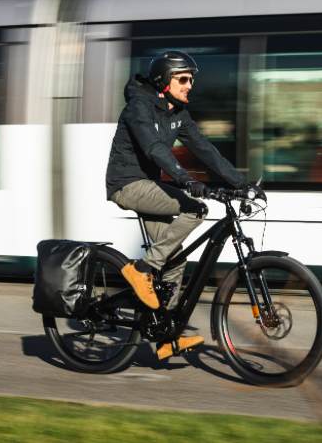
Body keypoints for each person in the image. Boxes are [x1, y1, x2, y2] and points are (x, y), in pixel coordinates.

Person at [105, 51, 265, 359]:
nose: (190, 85)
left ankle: (168, 337)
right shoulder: (139, 107)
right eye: (183, 79)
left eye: (191, 79)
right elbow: (152, 148)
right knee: (196, 209)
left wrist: (241, 183)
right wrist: (185, 180)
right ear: (165, 80)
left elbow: (206, 150)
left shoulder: (177, 111)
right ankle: (140, 270)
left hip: (150, 186)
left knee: (175, 258)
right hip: (127, 185)